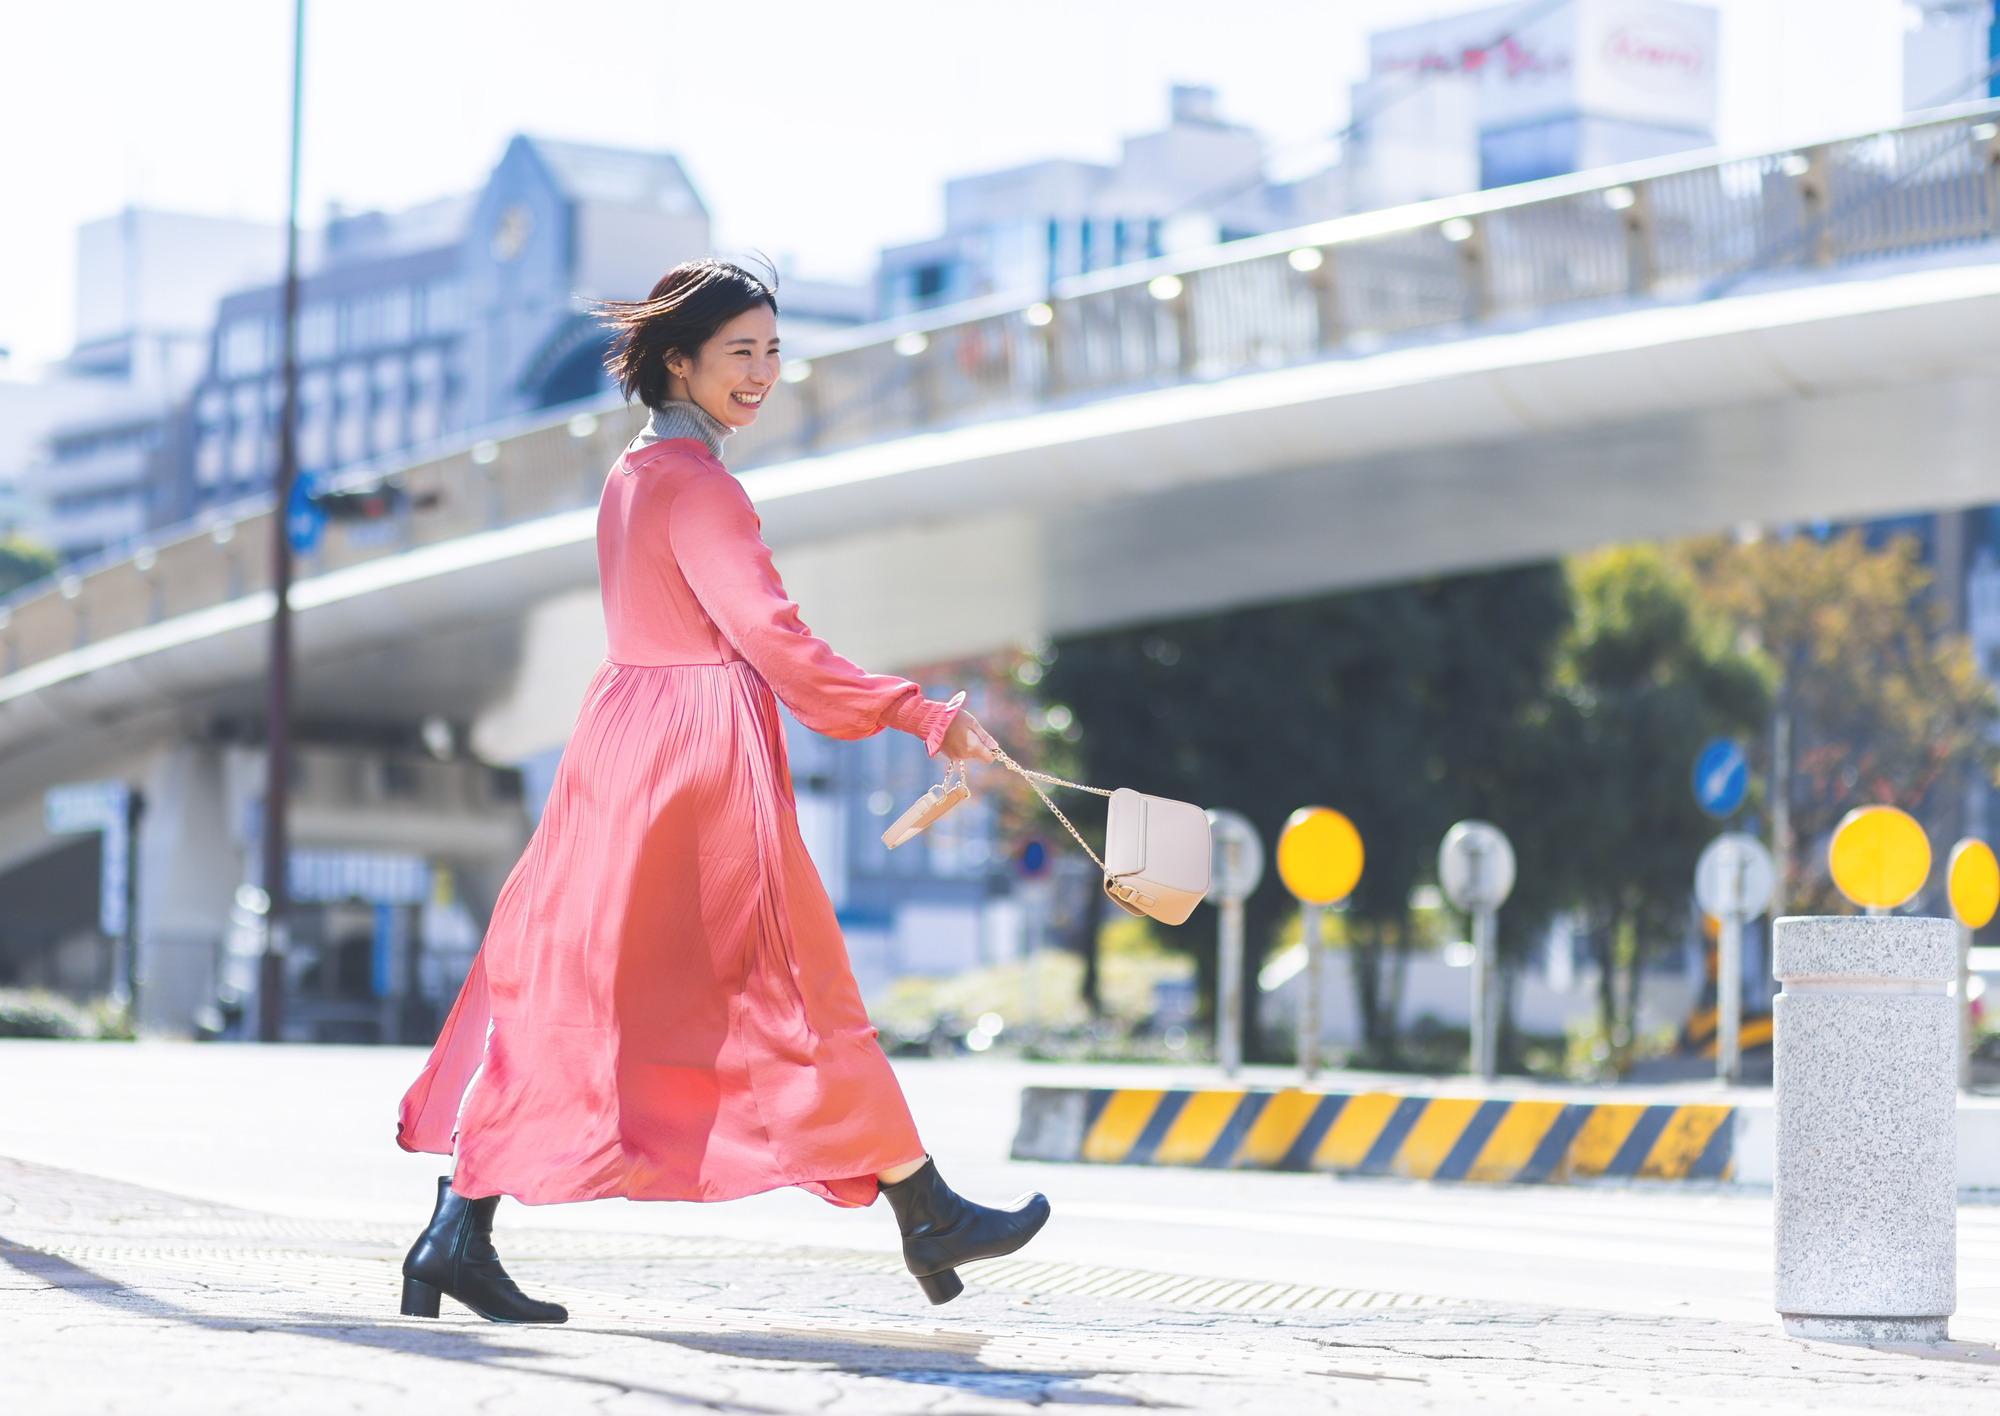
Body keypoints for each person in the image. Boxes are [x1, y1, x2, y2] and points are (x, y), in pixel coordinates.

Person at [393, 260, 1049, 1323]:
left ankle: (453, 1236)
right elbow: (773, 639)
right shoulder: (699, 487)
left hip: (623, 749)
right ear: (676, 361)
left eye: (772, 351)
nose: (761, 372)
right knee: (794, 985)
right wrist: (917, 712)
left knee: (573, 992)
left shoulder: (633, 473)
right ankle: (923, 1211)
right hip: (698, 764)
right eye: (740, 352)